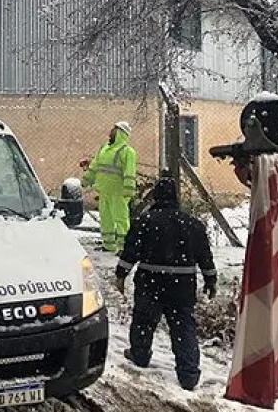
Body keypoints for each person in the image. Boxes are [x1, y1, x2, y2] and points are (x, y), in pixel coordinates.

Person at [114, 177, 217, 390]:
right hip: (182, 284)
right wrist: (210, 280)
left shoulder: (145, 222)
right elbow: (205, 256)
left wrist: (121, 275)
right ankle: (189, 373)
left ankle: (140, 355)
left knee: (143, 320)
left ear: (155, 197)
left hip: (150, 282)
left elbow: (130, 252)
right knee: (183, 326)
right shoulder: (192, 224)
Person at [81, 121, 137, 252]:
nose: (111, 131)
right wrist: (86, 179)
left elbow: (130, 172)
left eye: (114, 129)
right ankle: (109, 244)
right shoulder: (104, 149)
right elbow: (95, 166)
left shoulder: (127, 152)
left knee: (121, 219)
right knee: (106, 218)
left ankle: (124, 247)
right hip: (104, 190)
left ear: (120, 133)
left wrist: (128, 190)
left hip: (118, 192)